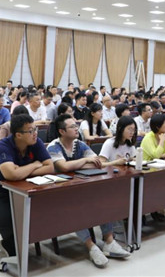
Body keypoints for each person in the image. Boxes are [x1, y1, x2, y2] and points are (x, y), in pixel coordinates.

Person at [45, 114, 129, 267]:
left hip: (82, 188)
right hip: (61, 193)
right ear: (62, 131)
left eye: (76, 126)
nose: (76, 129)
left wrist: (79, 163)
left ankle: (109, 241)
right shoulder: (53, 147)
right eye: (72, 127)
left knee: (103, 199)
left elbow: (96, 163)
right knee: (76, 207)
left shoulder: (80, 144)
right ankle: (91, 246)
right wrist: (84, 160)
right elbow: (63, 167)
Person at [0, 114, 53, 258]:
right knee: (9, 214)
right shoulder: (3, 146)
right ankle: (10, 246)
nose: (35, 133)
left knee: (44, 207)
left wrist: (22, 171)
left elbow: (50, 167)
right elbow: (11, 175)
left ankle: (28, 239)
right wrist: (34, 165)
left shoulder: (35, 142)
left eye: (35, 129)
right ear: (18, 135)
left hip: (22, 190)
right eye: (30, 131)